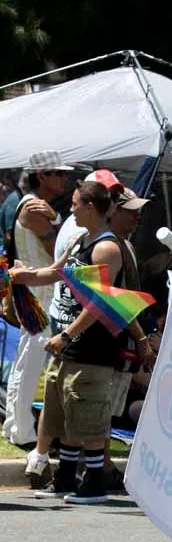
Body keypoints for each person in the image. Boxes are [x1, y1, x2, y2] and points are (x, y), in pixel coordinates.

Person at [11, 181, 152, 504]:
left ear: (90, 206)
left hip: (91, 348)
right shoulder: (79, 240)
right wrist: (24, 276)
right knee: (63, 413)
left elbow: (100, 302)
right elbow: (55, 272)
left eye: (75, 203)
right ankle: (65, 477)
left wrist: (66, 335)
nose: (70, 208)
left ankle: (95, 484)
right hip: (67, 347)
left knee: (88, 416)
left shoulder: (107, 248)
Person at [2, 150, 74, 446]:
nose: (65, 179)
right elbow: (56, 250)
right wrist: (58, 221)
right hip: (40, 295)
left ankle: (16, 427)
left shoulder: (34, 204)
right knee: (30, 364)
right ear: (42, 176)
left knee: (26, 362)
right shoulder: (34, 208)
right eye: (59, 173)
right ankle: (22, 431)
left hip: (36, 291)